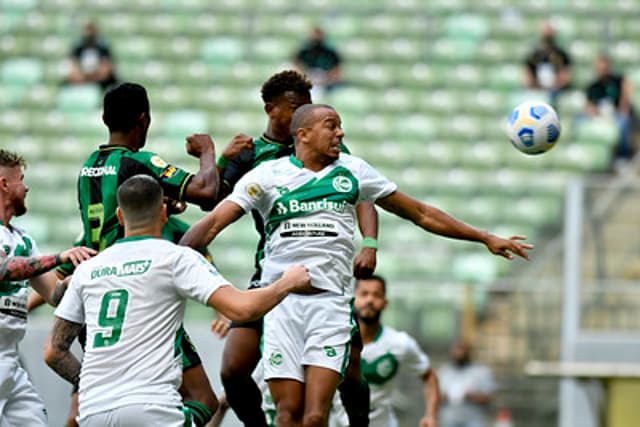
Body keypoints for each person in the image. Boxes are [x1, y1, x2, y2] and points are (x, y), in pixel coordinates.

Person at [180, 103, 533, 427]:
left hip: (329, 306)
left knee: (316, 416)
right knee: (288, 415)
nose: (340, 133)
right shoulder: (268, 176)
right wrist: (172, 264)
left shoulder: (353, 171)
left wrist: (484, 236)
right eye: (331, 126)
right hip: (281, 307)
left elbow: (422, 213)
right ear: (302, 134)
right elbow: (210, 226)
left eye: (341, 127)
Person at [43, 174, 312, 427]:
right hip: (153, 409)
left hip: (93, 412)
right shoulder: (175, 258)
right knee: (204, 404)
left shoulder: (88, 270)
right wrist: (287, 282)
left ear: (119, 216)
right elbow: (242, 309)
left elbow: (54, 352)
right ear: (163, 212)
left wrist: (92, 385)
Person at [213, 70, 376, 426]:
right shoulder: (250, 155)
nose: (305, 111)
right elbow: (210, 204)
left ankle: (360, 422)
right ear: (272, 110)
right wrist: (222, 160)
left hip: (323, 278)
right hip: (272, 272)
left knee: (350, 370)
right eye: (297, 106)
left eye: (308, 104)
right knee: (232, 370)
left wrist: (370, 243)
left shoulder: (326, 148)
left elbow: (362, 195)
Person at [58, 82, 220, 427]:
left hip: (98, 300)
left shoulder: (88, 165)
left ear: (104, 118)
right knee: (202, 399)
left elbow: (130, 211)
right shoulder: (138, 160)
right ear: (144, 119)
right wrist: (207, 151)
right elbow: (207, 192)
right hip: (140, 294)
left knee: (102, 403)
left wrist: (166, 206)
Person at [0, 149, 95, 425]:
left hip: (11, 359)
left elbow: (54, 294)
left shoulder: (24, 239)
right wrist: (59, 257)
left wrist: (86, 275)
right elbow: (4, 269)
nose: (26, 187)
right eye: (21, 179)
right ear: (5, 184)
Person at [350, 275, 439, 427]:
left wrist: (430, 415)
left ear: (385, 303)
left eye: (377, 295)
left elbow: (430, 377)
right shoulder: (336, 341)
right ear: (353, 299)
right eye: (364, 294)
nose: (370, 300)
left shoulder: (400, 343)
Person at [585, 54, 635, 161]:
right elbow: (589, 106)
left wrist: (622, 110)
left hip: (617, 114)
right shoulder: (593, 86)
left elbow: (626, 96)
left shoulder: (618, 80)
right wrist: (597, 115)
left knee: (623, 123)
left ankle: (623, 156)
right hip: (600, 116)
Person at [438, 342, 496, 427]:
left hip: (473, 420)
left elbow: (489, 396)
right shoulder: (444, 371)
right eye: (456, 351)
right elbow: (434, 396)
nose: (459, 354)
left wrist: (469, 396)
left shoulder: (481, 371)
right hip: (449, 420)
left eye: (462, 350)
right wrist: (450, 395)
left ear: (469, 352)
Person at [523, 22, 572, 106]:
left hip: (557, 92)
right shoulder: (534, 55)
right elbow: (527, 76)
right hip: (537, 91)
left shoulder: (561, 54)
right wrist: (538, 87)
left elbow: (565, 76)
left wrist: (554, 86)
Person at [66, 21, 118, 90]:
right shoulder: (77, 49)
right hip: (81, 83)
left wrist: (92, 77)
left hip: (101, 84)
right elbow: (74, 70)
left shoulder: (103, 49)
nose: (88, 35)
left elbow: (105, 71)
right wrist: (84, 77)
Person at [294, 27, 343, 95]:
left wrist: (325, 79)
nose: (316, 38)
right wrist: (308, 77)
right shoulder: (303, 52)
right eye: (314, 36)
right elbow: (296, 66)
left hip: (326, 83)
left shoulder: (331, 53)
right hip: (307, 81)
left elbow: (337, 70)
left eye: (318, 36)